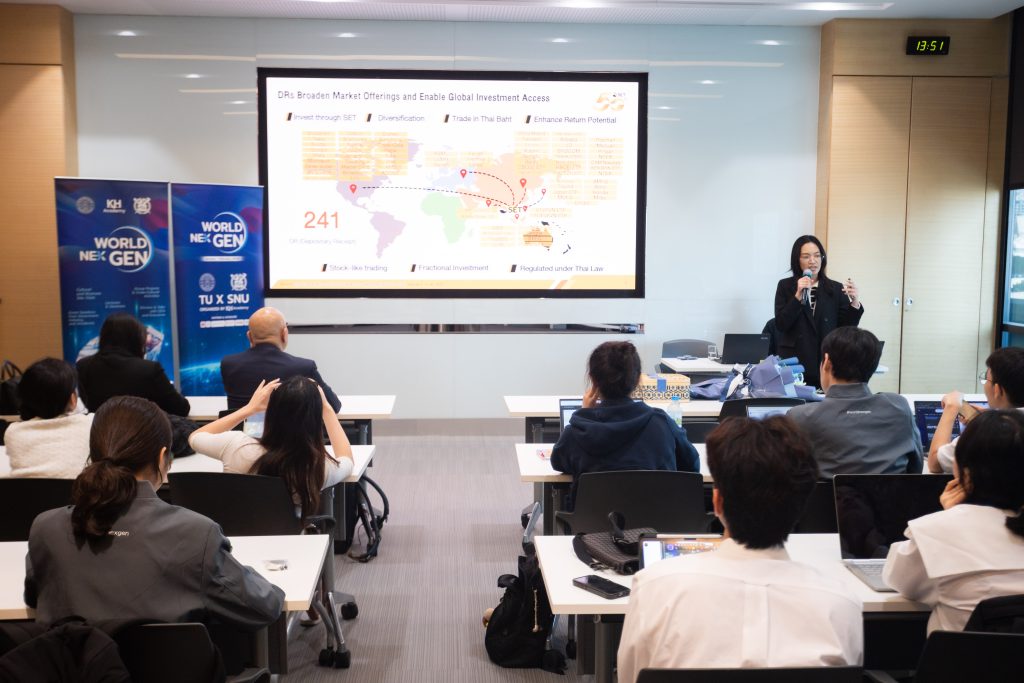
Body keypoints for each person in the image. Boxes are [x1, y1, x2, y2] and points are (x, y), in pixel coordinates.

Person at [616, 417, 862, 681]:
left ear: (717, 502)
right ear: (802, 508)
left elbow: (631, 676)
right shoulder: (842, 603)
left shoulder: (655, 588)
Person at [24, 395, 284, 628]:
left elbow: (35, 596)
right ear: (162, 457)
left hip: (70, 664)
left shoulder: (46, 528)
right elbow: (264, 606)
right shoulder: (196, 534)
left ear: (94, 454)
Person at [884, 410, 1024, 633]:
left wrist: (952, 517)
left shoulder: (938, 531)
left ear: (965, 472)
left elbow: (898, 579)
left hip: (965, 657)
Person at [550, 341, 699, 509]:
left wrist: (585, 414)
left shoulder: (577, 432)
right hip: (656, 523)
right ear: (638, 380)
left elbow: (557, 462)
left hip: (593, 524)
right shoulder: (662, 424)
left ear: (593, 380)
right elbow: (692, 465)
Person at [188, 376, 354, 520]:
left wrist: (250, 409)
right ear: (315, 419)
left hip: (232, 538)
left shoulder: (236, 445)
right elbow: (347, 459)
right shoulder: (318, 467)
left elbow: (195, 437)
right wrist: (327, 409)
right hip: (289, 541)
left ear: (272, 411)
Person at [788, 327, 922, 476]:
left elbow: (788, 475)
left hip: (825, 492)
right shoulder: (899, 407)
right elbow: (916, 470)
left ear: (826, 362)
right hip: (890, 492)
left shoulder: (799, 417)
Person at [774, 235, 863, 389]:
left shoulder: (835, 288)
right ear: (797, 259)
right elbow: (781, 324)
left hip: (825, 361)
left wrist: (854, 302)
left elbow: (845, 329)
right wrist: (798, 296)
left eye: (817, 255)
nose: (812, 261)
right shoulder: (785, 286)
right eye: (806, 256)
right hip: (795, 361)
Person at [221, 307, 341, 413]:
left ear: (249, 336)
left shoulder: (229, 365)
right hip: (290, 432)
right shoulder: (304, 367)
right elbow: (333, 406)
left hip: (243, 432)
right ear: (284, 334)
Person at [927, 346, 1024, 474]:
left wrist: (951, 408)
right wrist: (990, 418)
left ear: (997, 390)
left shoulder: (988, 433)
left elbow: (935, 463)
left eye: (986, 379)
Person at [76, 312, 190, 417]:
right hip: (143, 431)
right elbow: (181, 408)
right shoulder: (150, 370)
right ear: (136, 338)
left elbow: (87, 404)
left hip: (100, 431)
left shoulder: (83, 366)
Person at [5, 358, 92, 478]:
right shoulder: (90, 425)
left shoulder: (13, 432)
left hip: (27, 491)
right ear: (73, 399)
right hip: (78, 490)